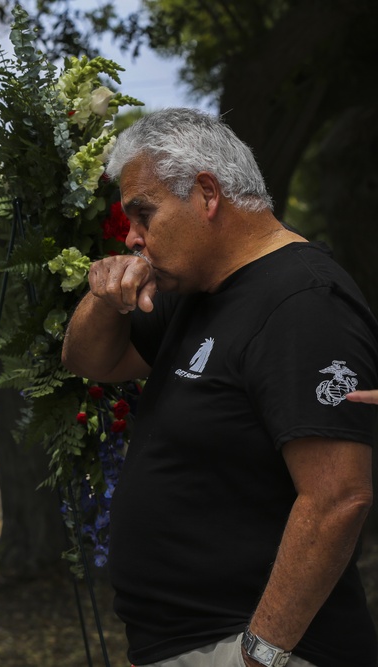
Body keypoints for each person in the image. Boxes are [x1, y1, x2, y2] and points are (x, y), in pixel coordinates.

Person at [61, 108, 377, 667]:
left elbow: (339, 497)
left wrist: (259, 654)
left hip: (252, 646)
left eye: (143, 214)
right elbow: (90, 359)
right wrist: (103, 296)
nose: (133, 238)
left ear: (207, 193)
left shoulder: (302, 302)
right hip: (183, 643)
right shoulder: (198, 291)